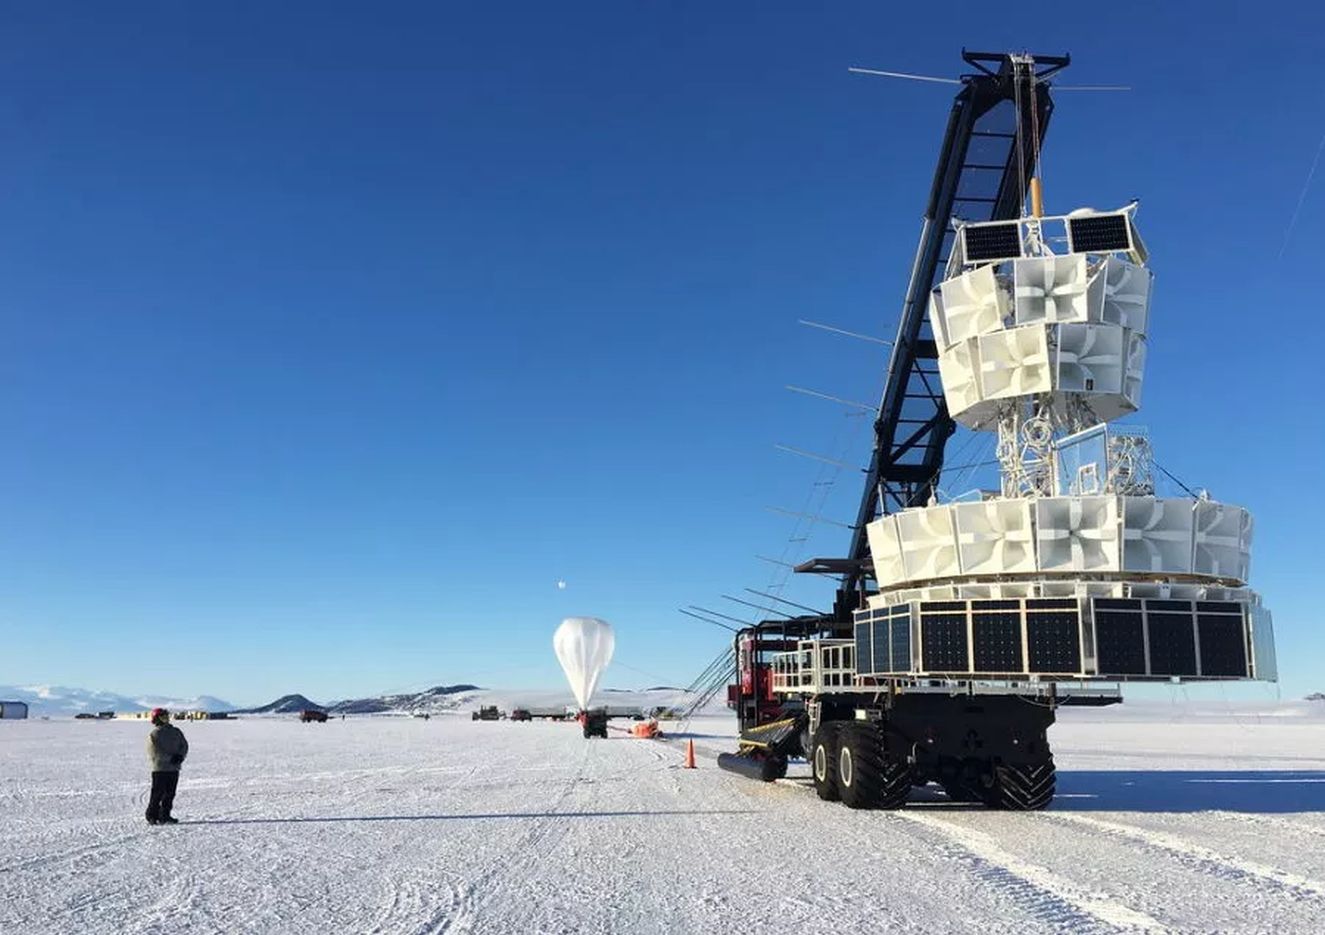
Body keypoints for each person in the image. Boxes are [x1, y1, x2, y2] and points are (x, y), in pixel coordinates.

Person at [145, 708, 189, 825]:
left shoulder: (176, 732)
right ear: (156, 719)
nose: (166, 718)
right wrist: (170, 758)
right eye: (163, 716)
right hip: (160, 768)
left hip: (173, 769)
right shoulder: (155, 734)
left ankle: (165, 815)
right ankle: (152, 815)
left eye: (166, 716)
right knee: (157, 793)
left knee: (170, 793)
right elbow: (154, 751)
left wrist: (180, 756)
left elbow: (184, 745)